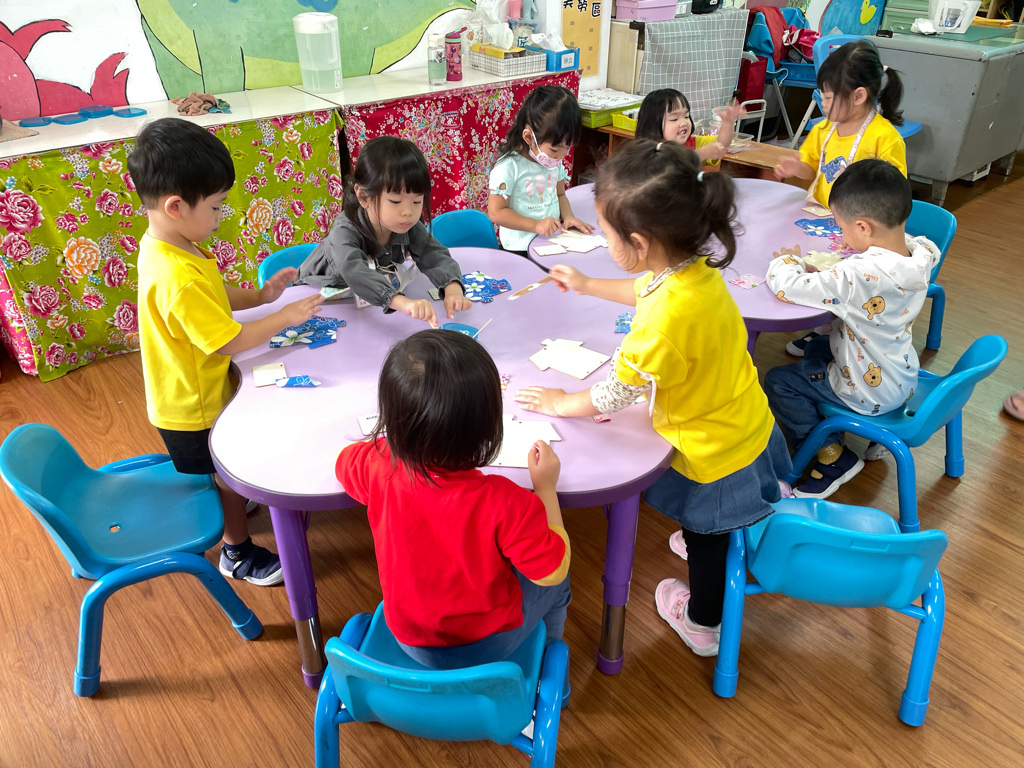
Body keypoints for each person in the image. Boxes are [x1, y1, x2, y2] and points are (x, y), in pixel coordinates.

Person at [515, 140, 790, 658]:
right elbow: (646, 288)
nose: (602, 238)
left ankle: (704, 624)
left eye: (606, 232)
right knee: (718, 521)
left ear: (639, 242)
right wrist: (587, 283)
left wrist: (558, 403)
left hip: (713, 448)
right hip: (745, 416)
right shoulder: (693, 270)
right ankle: (739, 522)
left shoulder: (663, 322)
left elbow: (614, 392)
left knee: (707, 540)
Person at [130, 117, 324, 585]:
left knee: (230, 471)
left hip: (193, 390)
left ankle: (237, 501)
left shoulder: (171, 244)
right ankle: (236, 552)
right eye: (216, 207)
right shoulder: (176, 275)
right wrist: (284, 316)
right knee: (228, 474)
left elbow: (212, 294)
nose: (221, 216)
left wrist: (260, 297)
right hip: (193, 408)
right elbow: (229, 339)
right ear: (176, 206)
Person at [336, 330, 571, 668]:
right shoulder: (507, 502)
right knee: (560, 579)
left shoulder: (378, 463)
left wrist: (394, 443)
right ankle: (547, 657)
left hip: (407, 637)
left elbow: (343, 462)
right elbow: (552, 571)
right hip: (486, 647)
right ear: (488, 425)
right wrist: (546, 488)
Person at [764, 159, 941, 499]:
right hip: (902, 376)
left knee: (779, 380)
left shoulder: (857, 275)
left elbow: (787, 286)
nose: (840, 235)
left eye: (841, 227)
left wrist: (789, 260)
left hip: (864, 390)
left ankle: (832, 457)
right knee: (816, 348)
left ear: (863, 227)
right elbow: (874, 271)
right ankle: (859, 430)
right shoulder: (922, 252)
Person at [774, 39, 909, 358]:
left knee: (845, 279)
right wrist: (796, 167)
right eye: (821, 95)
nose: (822, 104)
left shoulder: (885, 137)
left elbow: (893, 192)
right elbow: (811, 167)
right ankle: (823, 321)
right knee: (815, 266)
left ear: (859, 96)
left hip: (864, 231)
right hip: (822, 219)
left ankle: (833, 330)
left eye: (828, 97)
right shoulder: (824, 130)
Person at [297, 136, 470, 329]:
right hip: (320, 298)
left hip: (369, 301)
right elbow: (355, 271)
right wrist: (401, 302)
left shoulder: (405, 224)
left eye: (417, 201)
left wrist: (452, 288)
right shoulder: (344, 230)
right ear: (364, 196)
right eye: (396, 201)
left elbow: (432, 253)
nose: (408, 212)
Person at [487, 85, 594, 255]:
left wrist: (569, 217)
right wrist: (535, 225)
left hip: (550, 241)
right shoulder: (509, 167)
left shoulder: (554, 161)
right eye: (554, 149)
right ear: (529, 137)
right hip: (520, 249)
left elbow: (560, 195)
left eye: (567, 148)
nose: (561, 156)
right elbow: (496, 212)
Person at [634, 88, 747, 164]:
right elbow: (672, 168)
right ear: (653, 125)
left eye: (686, 116)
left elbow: (721, 144)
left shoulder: (693, 143)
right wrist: (702, 153)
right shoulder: (648, 153)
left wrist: (727, 123)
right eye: (674, 119)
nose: (684, 122)